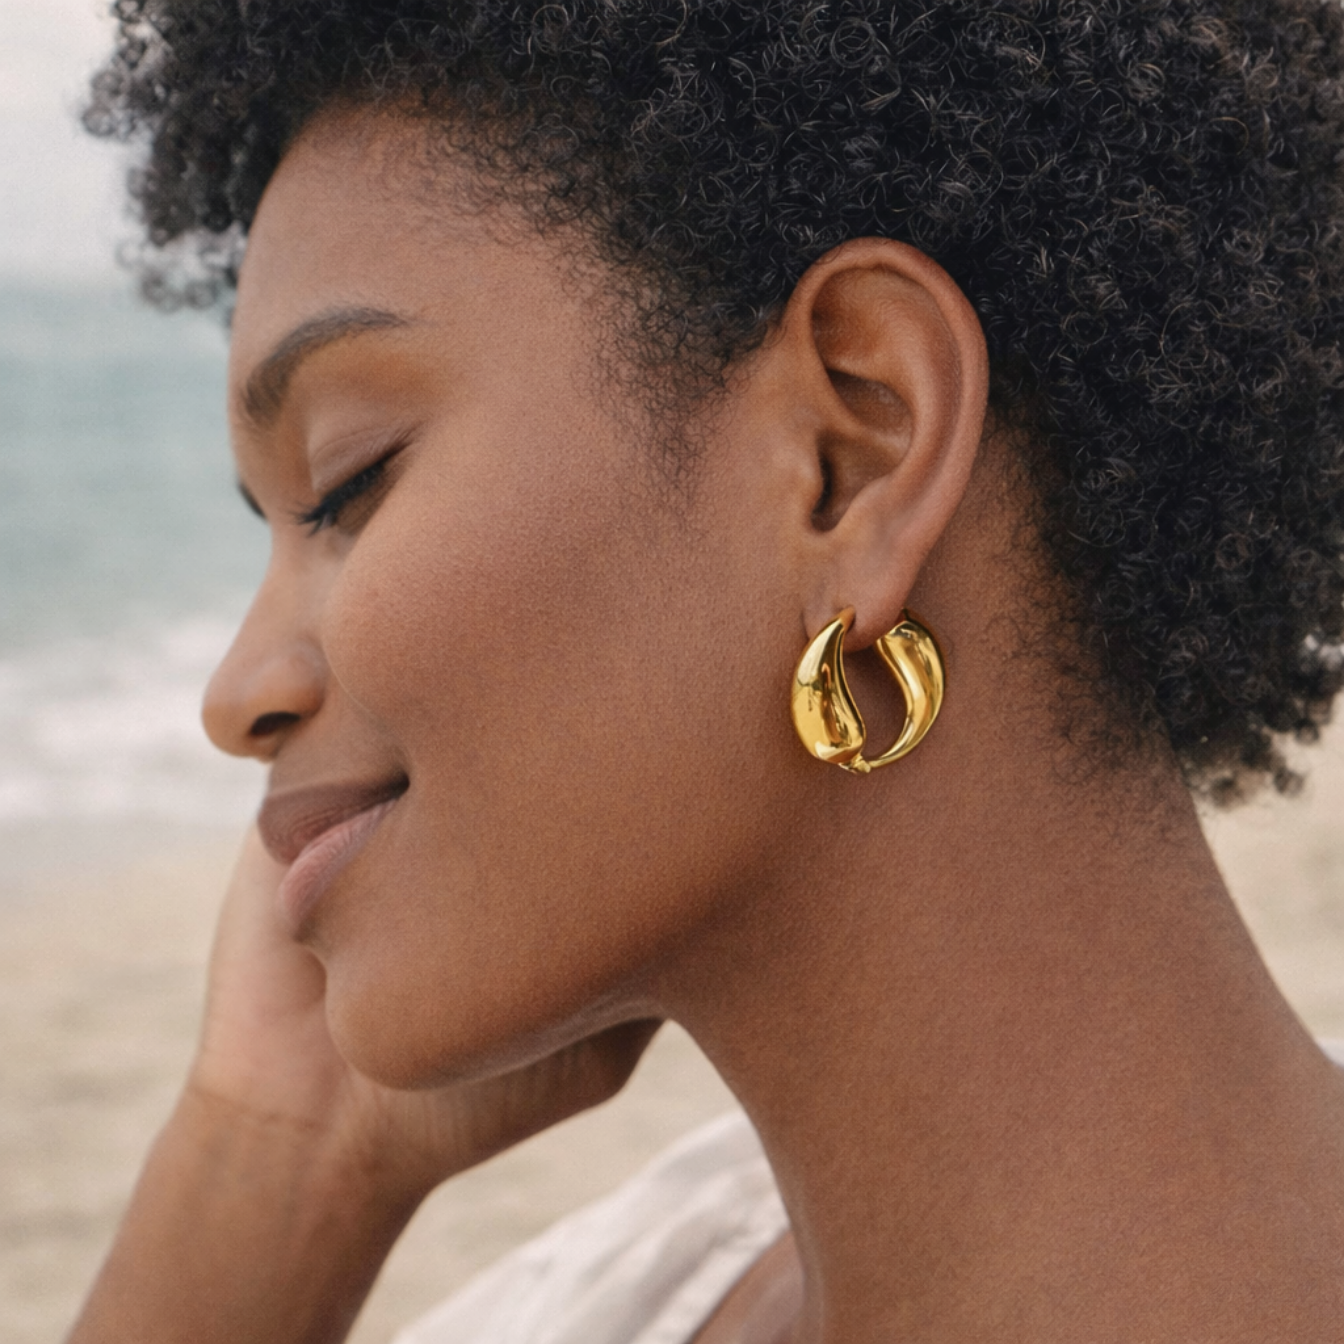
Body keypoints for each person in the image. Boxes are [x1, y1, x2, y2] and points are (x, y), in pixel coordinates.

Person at [69, 1, 1344, 1340]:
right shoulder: (616, 1296)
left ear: (852, 453)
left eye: (346, 483)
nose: (236, 692)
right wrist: (276, 1151)